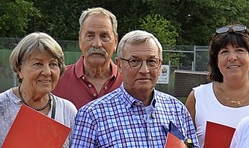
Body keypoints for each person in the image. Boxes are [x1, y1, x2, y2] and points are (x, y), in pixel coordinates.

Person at [69, 30, 198, 147]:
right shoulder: (92, 116)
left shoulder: (177, 109)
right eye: (134, 62)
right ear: (119, 65)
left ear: (160, 65)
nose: (144, 70)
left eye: (151, 61)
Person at [0, 32, 77, 148]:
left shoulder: (67, 111)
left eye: (53, 64)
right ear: (19, 69)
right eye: (38, 64)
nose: (47, 72)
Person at [185, 24, 249, 147]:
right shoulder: (198, 97)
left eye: (239, 50)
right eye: (224, 52)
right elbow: (183, 142)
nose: (232, 57)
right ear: (216, 60)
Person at [52, 7, 122, 109]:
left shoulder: (128, 83)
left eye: (104, 36)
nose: (97, 44)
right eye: (90, 36)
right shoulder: (57, 81)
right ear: (80, 40)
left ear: (115, 41)